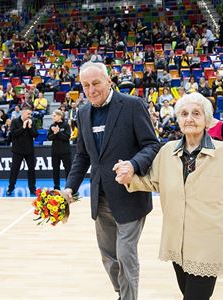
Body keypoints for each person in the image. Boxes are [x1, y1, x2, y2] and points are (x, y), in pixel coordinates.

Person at [114, 93, 223, 300]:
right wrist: (129, 178)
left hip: (208, 240)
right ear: (178, 119)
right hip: (177, 241)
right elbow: (152, 181)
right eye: (184, 114)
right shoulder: (166, 151)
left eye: (196, 113)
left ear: (207, 120)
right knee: (188, 293)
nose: (189, 119)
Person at [63, 62, 160, 300]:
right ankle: (121, 292)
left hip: (130, 193)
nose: (91, 89)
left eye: (96, 83)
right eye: (86, 85)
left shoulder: (132, 105)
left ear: (109, 81)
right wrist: (69, 189)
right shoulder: (83, 112)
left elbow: (152, 145)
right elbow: (83, 156)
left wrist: (133, 165)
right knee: (109, 256)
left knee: (126, 253)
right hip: (101, 197)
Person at [7, 105, 38, 196]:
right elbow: (13, 134)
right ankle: (10, 188)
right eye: (28, 114)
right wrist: (23, 127)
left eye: (30, 114)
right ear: (23, 113)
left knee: (31, 170)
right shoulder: (15, 121)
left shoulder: (32, 122)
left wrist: (29, 127)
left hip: (29, 150)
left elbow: (35, 135)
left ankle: (32, 188)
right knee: (14, 170)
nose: (29, 116)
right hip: (18, 150)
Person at [47, 110, 72, 190]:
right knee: (55, 169)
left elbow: (67, 137)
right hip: (55, 151)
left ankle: (69, 186)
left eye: (54, 116)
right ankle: (56, 186)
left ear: (59, 116)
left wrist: (58, 132)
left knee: (68, 169)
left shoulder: (66, 125)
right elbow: (49, 138)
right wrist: (54, 133)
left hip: (65, 151)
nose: (52, 117)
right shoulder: (52, 126)